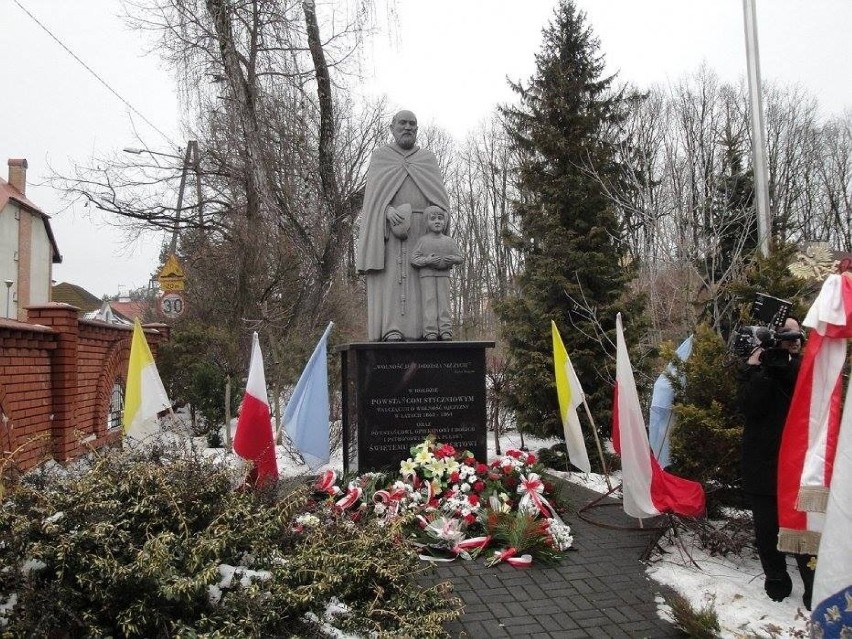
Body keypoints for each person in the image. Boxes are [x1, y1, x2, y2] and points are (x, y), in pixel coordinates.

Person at [738, 317, 815, 609]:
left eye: (797, 332)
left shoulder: (803, 368)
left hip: (797, 465)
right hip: (761, 462)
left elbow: (807, 396)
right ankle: (777, 580)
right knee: (767, 530)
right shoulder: (757, 367)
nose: (793, 337)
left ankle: (813, 587)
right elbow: (748, 406)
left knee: (801, 530)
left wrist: (786, 362)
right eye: (785, 333)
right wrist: (760, 369)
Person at [356, 110, 452, 342]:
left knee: (425, 287)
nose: (407, 127)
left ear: (417, 129)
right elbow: (373, 202)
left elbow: (440, 200)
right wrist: (386, 212)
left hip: (424, 232)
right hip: (390, 231)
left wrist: (435, 222)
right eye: (402, 123)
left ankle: (427, 330)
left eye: (412, 124)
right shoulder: (381, 157)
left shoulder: (427, 159)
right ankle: (392, 329)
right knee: (391, 282)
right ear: (392, 127)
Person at [410, 206, 463, 340]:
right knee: (429, 302)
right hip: (427, 275)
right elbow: (414, 259)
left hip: (444, 275)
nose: (437, 221)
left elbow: (460, 257)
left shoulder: (449, 241)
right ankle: (430, 331)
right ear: (427, 222)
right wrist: (427, 260)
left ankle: (446, 330)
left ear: (445, 222)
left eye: (440, 218)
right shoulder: (423, 241)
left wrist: (453, 259)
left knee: (444, 303)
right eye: (433, 219)